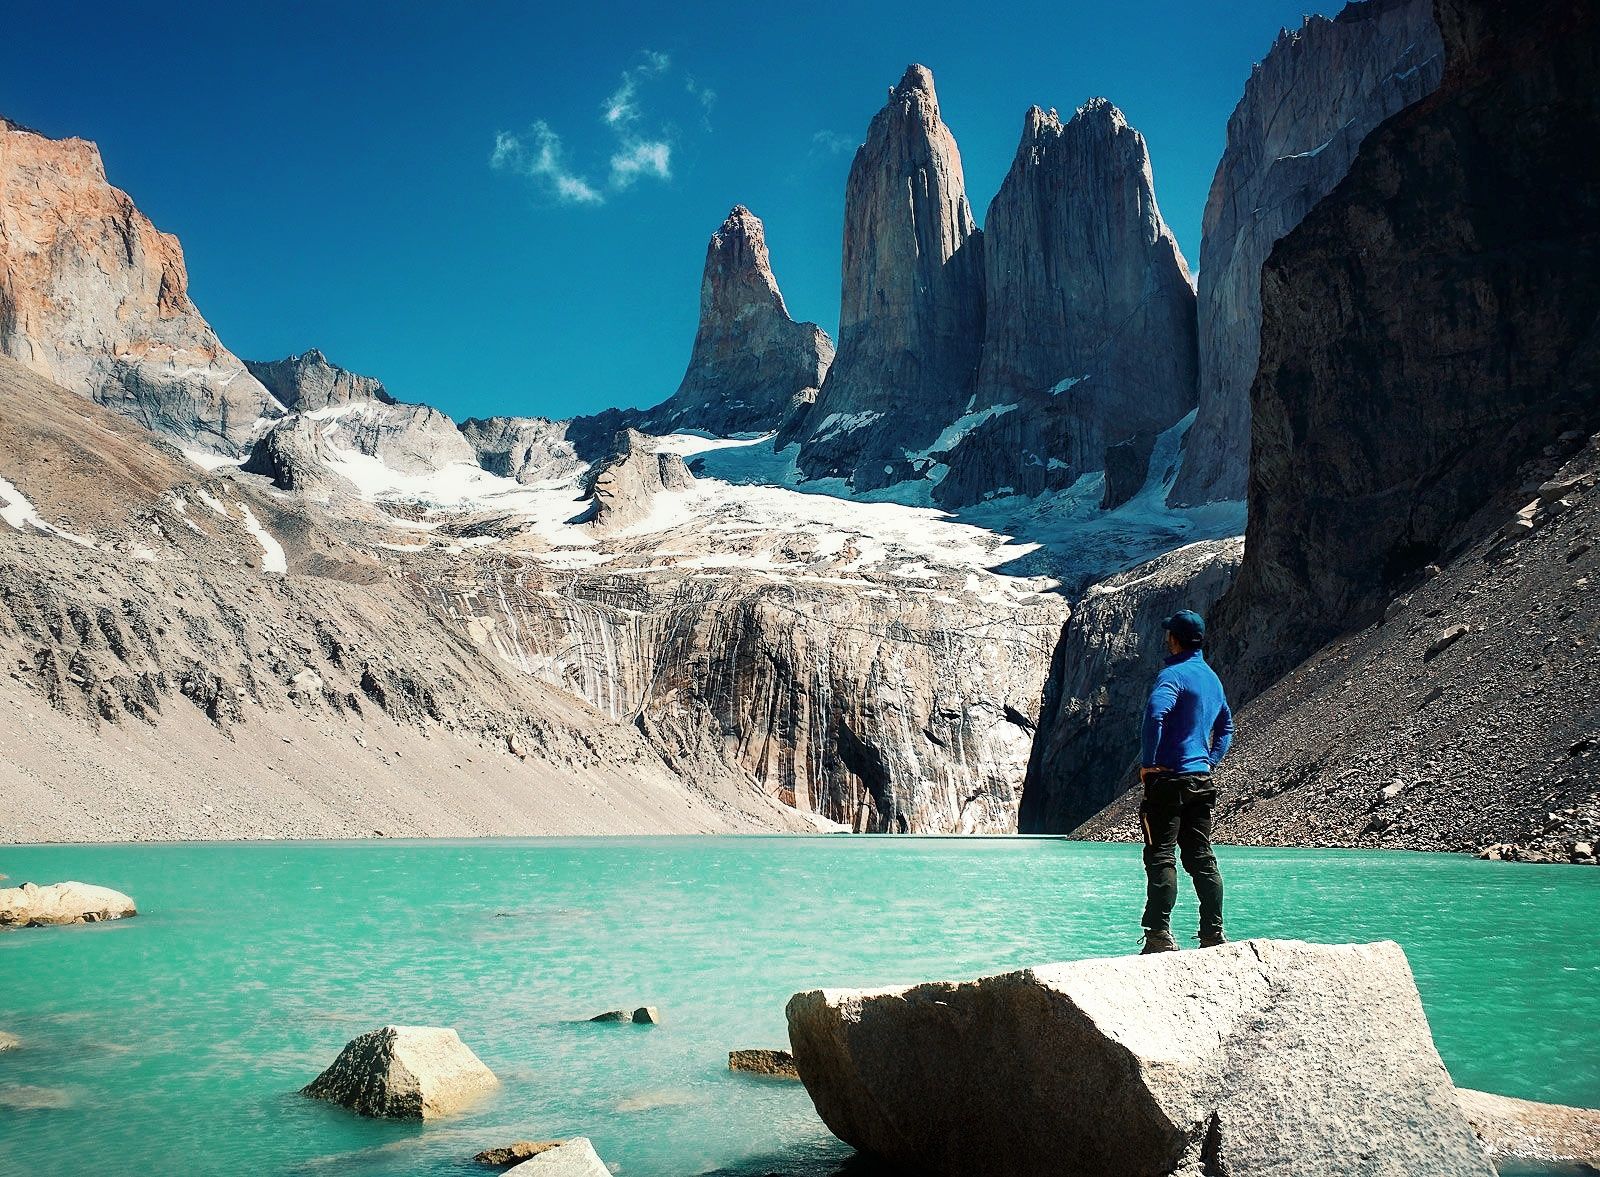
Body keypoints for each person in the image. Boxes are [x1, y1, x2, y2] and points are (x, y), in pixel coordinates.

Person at [1138, 608, 1233, 954]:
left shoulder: (1173, 675)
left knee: (1161, 856)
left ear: (1174, 639)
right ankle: (1212, 933)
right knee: (1202, 857)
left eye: (1169, 634)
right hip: (1201, 780)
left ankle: (1159, 935)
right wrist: (1209, 760)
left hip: (1167, 780)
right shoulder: (1212, 679)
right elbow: (1226, 727)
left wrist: (1149, 763)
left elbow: (1154, 715)